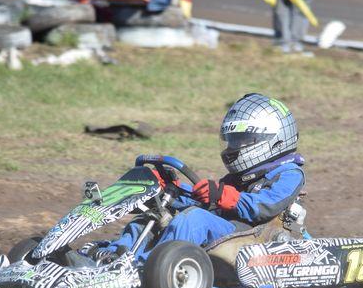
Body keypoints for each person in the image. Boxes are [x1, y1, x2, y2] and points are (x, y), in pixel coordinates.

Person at [85, 93, 306, 262]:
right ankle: (113, 255)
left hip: (256, 236)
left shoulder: (289, 174)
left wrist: (225, 196)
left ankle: (146, 266)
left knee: (193, 220)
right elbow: (207, 200)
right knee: (154, 215)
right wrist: (172, 190)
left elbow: (265, 206)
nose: (234, 147)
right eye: (232, 140)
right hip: (230, 232)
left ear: (273, 140)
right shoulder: (240, 178)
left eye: (242, 140)